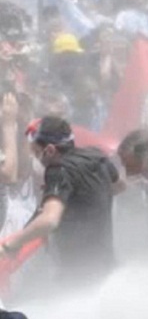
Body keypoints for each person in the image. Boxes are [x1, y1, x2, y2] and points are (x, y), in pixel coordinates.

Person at [0, 117, 118, 286]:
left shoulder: (58, 170)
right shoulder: (95, 155)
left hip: (76, 272)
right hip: (105, 261)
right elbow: (119, 185)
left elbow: (49, 220)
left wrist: (11, 245)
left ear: (49, 150)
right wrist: (76, 198)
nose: (35, 157)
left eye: (35, 152)